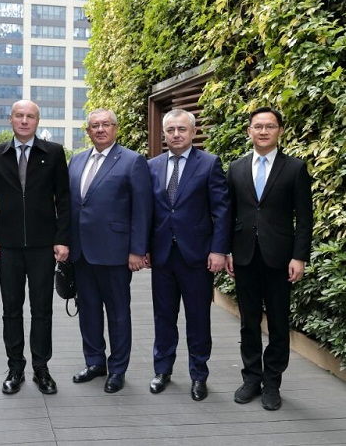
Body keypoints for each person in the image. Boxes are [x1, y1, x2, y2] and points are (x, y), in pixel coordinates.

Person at [225, 106, 313, 411]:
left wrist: (299, 257)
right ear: (249, 131)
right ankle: (251, 378)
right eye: (258, 126)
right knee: (248, 322)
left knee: (278, 323)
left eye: (270, 126)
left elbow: (305, 218)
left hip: (280, 258)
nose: (263, 131)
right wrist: (227, 251)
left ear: (280, 131)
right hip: (244, 256)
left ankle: (272, 383)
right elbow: (228, 214)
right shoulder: (236, 168)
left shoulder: (295, 168)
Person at [0, 99, 70, 395]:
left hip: (44, 246)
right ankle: (15, 367)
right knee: (11, 309)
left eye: (30, 116)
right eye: (19, 115)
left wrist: (62, 238)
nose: (24, 121)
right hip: (7, 246)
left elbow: (64, 199)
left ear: (37, 121)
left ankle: (41, 368)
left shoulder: (53, 153)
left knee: (42, 309)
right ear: (10, 119)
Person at [145, 109, 231, 401]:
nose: (176, 135)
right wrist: (144, 248)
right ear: (164, 134)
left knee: (198, 318)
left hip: (197, 256)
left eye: (182, 129)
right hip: (162, 256)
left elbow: (221, 211)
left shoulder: (209, 164)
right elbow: (146, 212)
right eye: (170, 130)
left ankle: (199, 375)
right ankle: (162, 370)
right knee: (163, 317)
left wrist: (219, 249)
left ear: (193, 132)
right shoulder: (152, 166)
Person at [68, 108, 152, 393]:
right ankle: (94, 362)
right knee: (88, 310)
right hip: (81, 252)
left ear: (116, 128)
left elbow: (142, 209)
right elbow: (71, 206)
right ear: (88, 131)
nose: (100, 129)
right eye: (95, 125)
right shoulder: (76, 160)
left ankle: (117, 369)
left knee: (117, 313)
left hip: (116, 253)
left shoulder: (132, 161)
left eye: (106, 124)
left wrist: (137, 250)